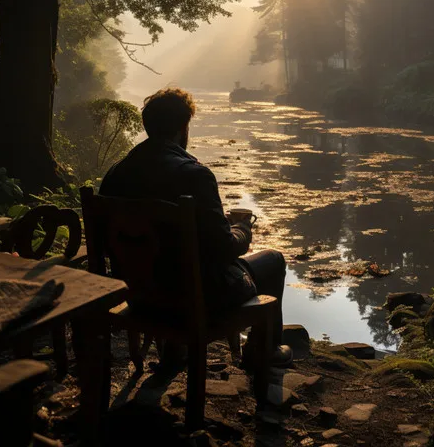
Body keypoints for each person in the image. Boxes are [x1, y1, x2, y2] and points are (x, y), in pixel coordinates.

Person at [99, 87, 292, 369]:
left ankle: (175, 352)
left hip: (138, 297)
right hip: (192, 300)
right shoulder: (195, 175)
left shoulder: (115, 174)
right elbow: (224, 249)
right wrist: (241, 228)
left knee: (175, 265)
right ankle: (263, 351)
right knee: (273, 260)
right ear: (182, 127)